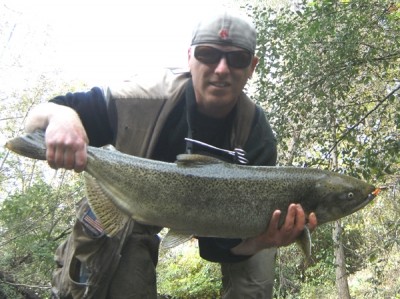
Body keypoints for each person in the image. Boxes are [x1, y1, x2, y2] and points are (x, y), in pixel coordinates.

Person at [25, 10, 317, 299]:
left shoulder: (256, 135)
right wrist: (62, 118)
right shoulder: (143, 98)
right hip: (129, 204)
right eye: (208, 54)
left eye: (237, 58)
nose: (221, 69)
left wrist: (259, 241)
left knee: (257, 274)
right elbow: (39, 118)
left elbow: (216, 248)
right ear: (189, 57)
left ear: (252, 66)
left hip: (218, 215)